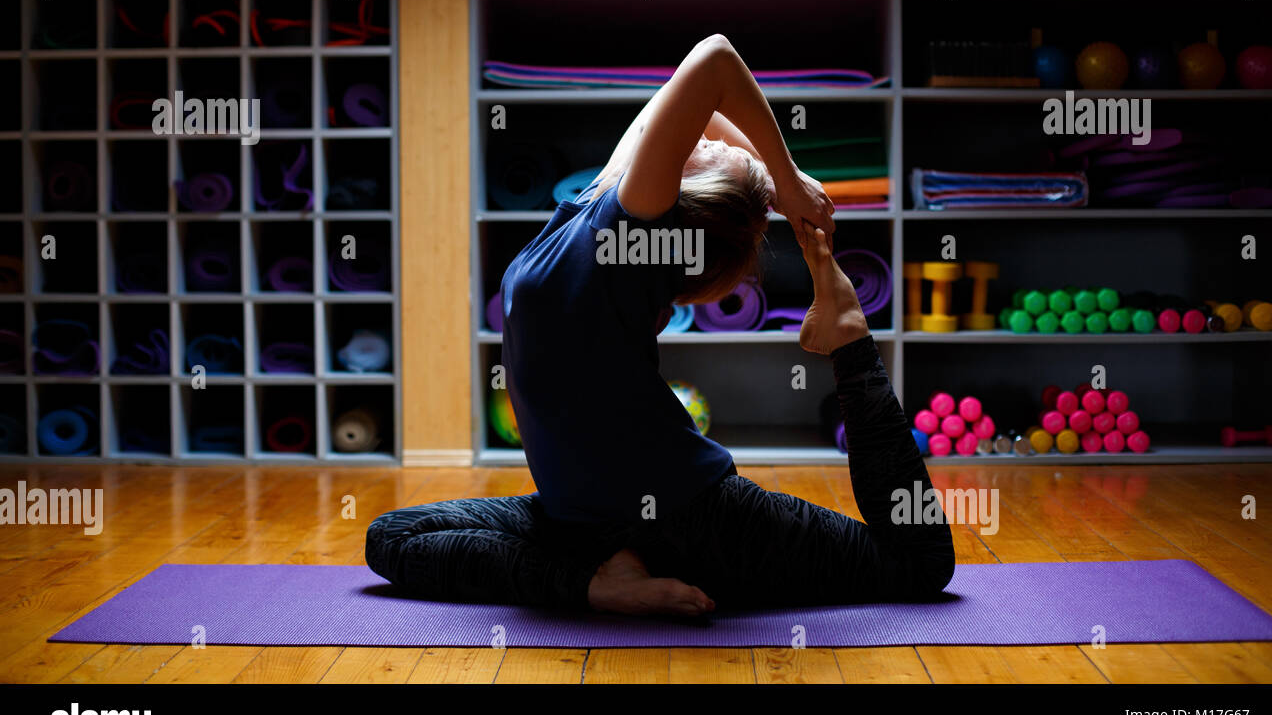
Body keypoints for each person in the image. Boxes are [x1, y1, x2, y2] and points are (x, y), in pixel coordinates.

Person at [367, 35, 954, 616]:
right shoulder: (604, 204)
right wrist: (776, 185)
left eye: (724, 155)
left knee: (918, 561)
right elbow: (699, 100)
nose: (710, 136)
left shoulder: (633, 229)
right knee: (392, 537)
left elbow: (716, 60)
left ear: (688, 193)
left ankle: (848, 336)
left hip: (695, 517)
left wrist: (785, 179)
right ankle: (609, 571)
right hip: (590, 519)